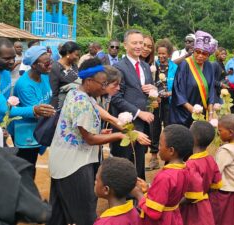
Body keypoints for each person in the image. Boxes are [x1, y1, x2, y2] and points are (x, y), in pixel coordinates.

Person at [48, 59, 127, 225]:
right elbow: (90, 139)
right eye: (103, 83)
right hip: (74, 165)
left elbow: (81, 129)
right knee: (85, 214)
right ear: (89, 81)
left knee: (58, 214)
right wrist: (118, 136)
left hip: (61, 162)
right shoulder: (83, 102)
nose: (105, 87)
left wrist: (100, 131)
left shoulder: (77, 93)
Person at [110, 29, 155, 180]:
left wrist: (153, 91)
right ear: (125, 45)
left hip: (143, 123)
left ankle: (138, 197)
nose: (138, 46)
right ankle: (125, 198)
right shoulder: (118, 67)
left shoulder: (146, 67)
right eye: (134, 43)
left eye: (141, 43)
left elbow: (147, 91)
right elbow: (116, 97)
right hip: (126, 124)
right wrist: (138, 112)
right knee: (124, 164)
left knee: (139, 162)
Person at [132, 124, 194, 225]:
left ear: (171, 151)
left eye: (160, 145)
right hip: (174, 217)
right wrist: (149, 188)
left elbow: (154, 212)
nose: (159, 148)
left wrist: (138, 194)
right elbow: (169, 193)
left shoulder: (165, 177)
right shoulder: (185, 169)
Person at [13, 46, 56, 178]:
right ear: (34, 65)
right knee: (27, 170)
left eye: (51, 62)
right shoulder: (24, 85)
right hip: (27, 135)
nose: (50, 66)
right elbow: (39, 114)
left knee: (32, 166)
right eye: (47, 63)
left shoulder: (44, 76)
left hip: (38, 130)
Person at [0, 38, 54, 130]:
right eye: (7, 59)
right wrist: (33, 110)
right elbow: (3, 109)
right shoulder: (24, 84)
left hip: (5, 126)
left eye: (13, 57)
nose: (12, 62)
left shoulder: (5, 71)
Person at [170, 30, 217, 127]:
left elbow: (211, 89)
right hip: (184, 114)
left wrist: (211, 113)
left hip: (201, 112)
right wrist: (193, 110)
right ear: (193, 50)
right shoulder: (185, 65)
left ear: (208, 55)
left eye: (204, 54)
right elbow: (177, 90)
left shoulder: (209, 66)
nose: (200, 56)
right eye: (198, 52)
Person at [180, 121, 222, 225]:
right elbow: (216, 185)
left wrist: (176, 204)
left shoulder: (191, 164)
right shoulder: (210, 159)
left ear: (193, 139)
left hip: (193, 210)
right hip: (206, 206)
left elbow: (191, 196)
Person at [147, 38, 178, 171]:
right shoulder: (152, 66)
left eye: (164, 54)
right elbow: (148, 82)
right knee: (154, 129)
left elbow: (178, 86)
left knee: (168, 128)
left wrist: (170, 93)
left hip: (169, 103)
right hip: (154, 102)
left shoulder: (175, 68)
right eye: (159, 53)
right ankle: (154, 157)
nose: (161, 56)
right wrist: (154, 95)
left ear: (169, 54)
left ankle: (169, 158)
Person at [93, 157, 140, 225]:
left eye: (97, 180)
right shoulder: (136, 213)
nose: (95, 182)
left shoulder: (103, 223)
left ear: (106, 190)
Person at [49, 41, 80, 109]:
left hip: (75, 104)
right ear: (68, 53)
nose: (77, 57)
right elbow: (54, 92)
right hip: (62, 106)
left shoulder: (74, 65)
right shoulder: (55, 67)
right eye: (76, 55)